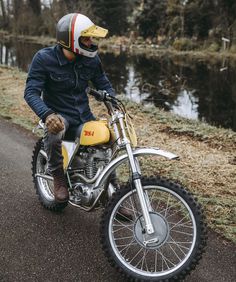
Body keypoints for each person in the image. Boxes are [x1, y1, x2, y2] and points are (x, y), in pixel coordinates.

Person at [24, 13, 115, 203]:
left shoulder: (91, 59)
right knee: (55, 131)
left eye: (91, 38)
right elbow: (31, 92)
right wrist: (47, 115)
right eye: (86, 38)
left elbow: (104, 85)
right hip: (59, 115)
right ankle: (58, 177)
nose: (91, 42)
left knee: (111, 137)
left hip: (84, 116)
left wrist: (114, 105)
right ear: (71, 40)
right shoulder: (44, 59)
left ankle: (111, 190)